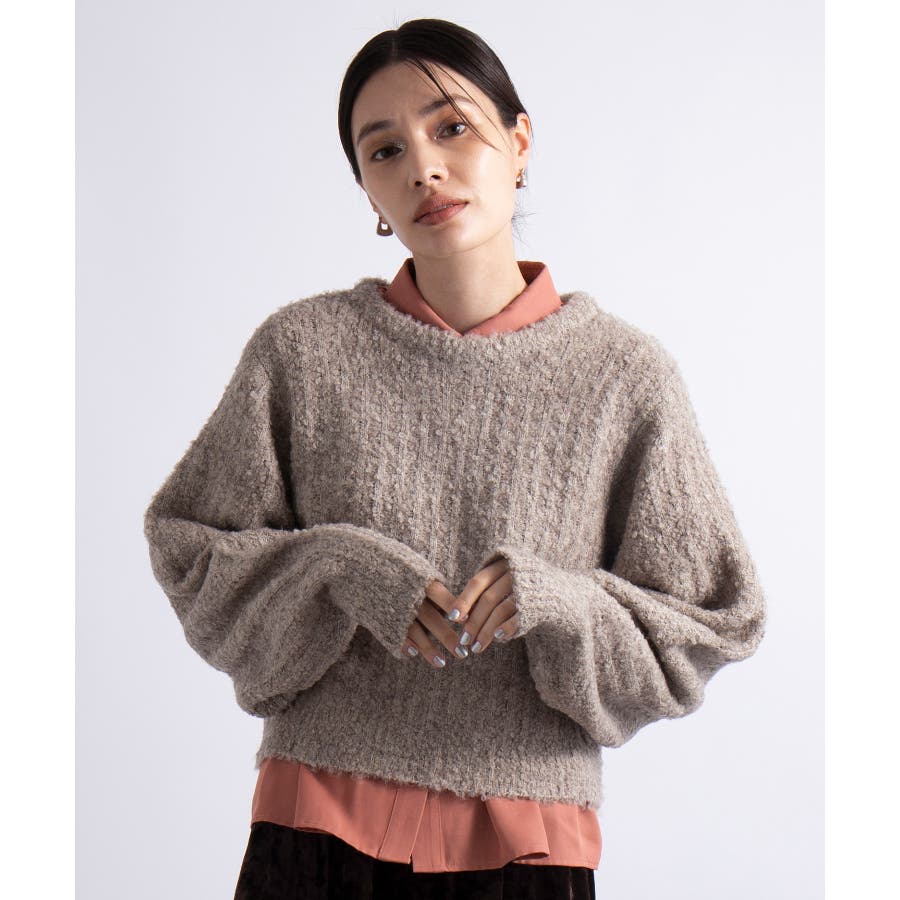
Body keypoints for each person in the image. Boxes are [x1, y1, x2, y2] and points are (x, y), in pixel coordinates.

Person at [142, 17, 767, 900]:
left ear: (520, 142)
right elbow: (190, 548)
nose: (424, 168)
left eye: (452, 128)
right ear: (367, 189)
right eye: (385, 150)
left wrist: (561, 601)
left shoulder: (623, 376)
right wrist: (341, 567)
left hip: (526, 840)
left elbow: (714, 619)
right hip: (316, 824)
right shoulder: (303, 353)